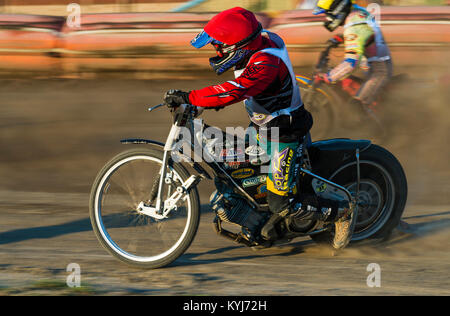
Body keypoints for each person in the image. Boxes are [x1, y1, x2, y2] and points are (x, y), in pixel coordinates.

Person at [163, 7, 353, 249]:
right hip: (263, 126)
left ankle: (341, 212)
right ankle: (256, 216)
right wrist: (199, 106)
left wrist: (191, 97)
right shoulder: (261, 42)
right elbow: (239, 87)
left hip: (284, 134)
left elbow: (235, 90)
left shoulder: (266, 62)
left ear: (238, 46)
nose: (216, 50)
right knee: (233, 171)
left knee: (281, 203)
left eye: (219, 45)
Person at [313, 0, 392, 117]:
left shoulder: (355, 27)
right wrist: (342, 38)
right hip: (374, 62)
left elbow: (351, 63)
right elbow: (366, 34)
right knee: (345, 80)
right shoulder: (357, 12)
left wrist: (328, 77)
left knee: (356, 106)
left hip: (378, 71)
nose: (328, 18)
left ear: (338, 9)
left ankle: (382, 134)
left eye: (328, 14)